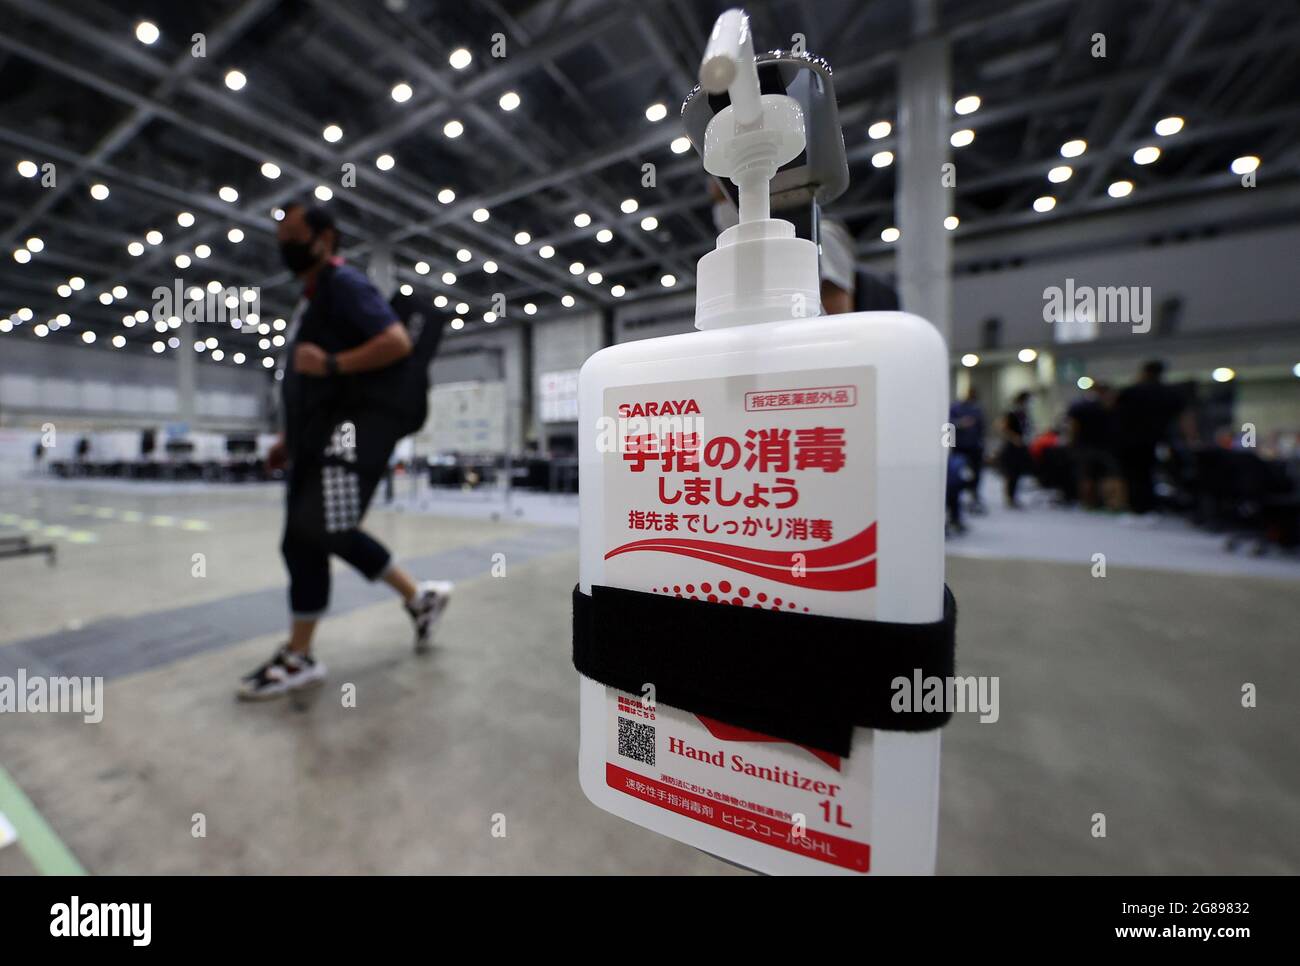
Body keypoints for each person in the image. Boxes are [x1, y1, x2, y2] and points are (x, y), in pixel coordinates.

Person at [238, 202, 452, 700]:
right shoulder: (311, 299)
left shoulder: (343, 283)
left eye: (293, 235)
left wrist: (332, 363)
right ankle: (419, 598)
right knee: (317, 531)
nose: (284, 246)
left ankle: (300, 655)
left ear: (326, 238)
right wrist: (289, 439)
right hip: (315, 438)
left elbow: (396, 341)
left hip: (350, 435)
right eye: (280, 238)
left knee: (314, 530)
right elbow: (309, 385)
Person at [1113, 360, 1188, 516]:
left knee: (1133, 476)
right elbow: (1183, 417)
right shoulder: (1170, 393)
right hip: (1158, 440)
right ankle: (1150, 507)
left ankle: (1136, 508)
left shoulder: (1132, 391)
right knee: (1150, 474)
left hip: (1131, 441)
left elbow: (1116, 413)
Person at [1067, 382, 1120, 509]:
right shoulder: (1109, 406)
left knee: (1086, 476)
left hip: (1084, 445)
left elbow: (1074, 426)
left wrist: (1072, 442)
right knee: (1108, 475)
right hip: (1106, 446)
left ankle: (1088, 503)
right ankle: (1112, 503)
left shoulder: (1080, 406)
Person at [949, 388, 986, 512]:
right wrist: (960, 423)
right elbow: (947, 425)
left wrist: (981, 443)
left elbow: (981, 428)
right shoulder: (956, 408)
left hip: (974, 446)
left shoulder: (977, 409)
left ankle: (974, 495)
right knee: (958, 475)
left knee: (976, 473)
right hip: (959, 447)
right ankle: (958, 499)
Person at [997, 391, 1033, 509]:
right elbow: (1003, 427)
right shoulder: (1012, 413)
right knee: (1011, 473)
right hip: (1012, 446)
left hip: (1021, 446)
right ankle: (1009, 497)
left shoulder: (1024, 413)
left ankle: (1013, 496)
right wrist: (1014, 438)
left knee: (1017, 473)